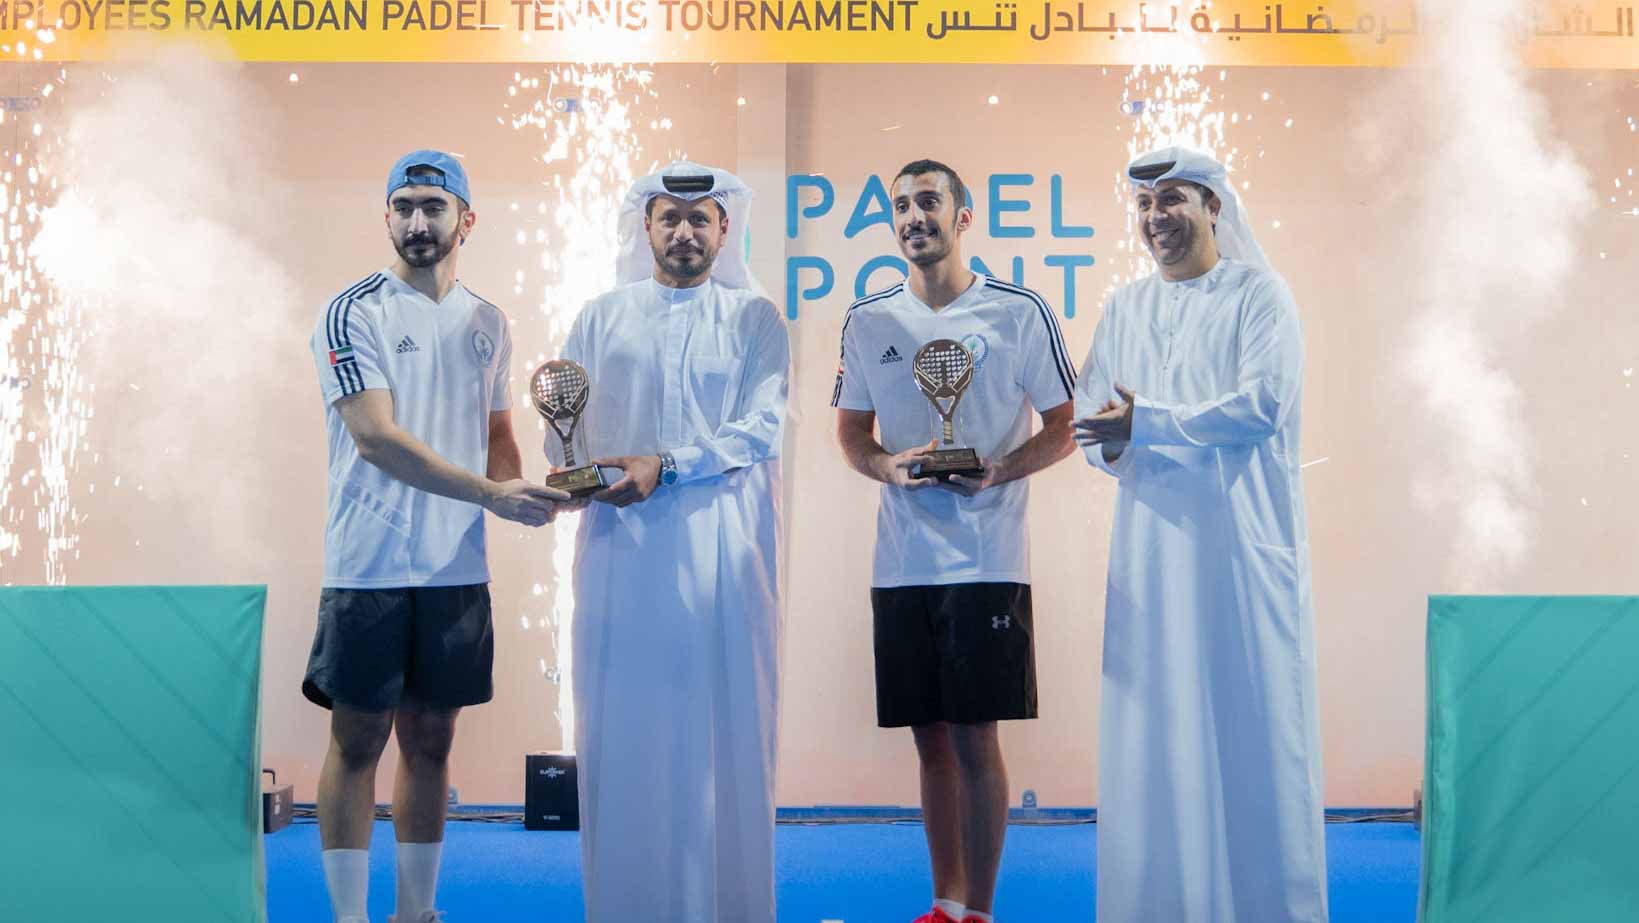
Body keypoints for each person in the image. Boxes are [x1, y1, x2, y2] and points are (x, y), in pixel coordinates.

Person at [304, 150, 565, 923]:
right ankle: (350, 917)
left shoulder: (489, 322)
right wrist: (491, 494)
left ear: (466, 220)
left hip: (455, 570)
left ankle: (416, 912)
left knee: (430, 743)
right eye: (404, 207)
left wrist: (535, 491)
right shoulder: (351, 312)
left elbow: (497, 437)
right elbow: (375, 439)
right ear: (387, 218)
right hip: (368, 567)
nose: (418, 221)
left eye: (433, 206)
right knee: (357, 743)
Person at [1073, 146, 1328, 923]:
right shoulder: (1124, 307)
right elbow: (1090, 421)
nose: (1156, 218)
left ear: (1213, 206)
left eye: (1172, 200)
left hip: (1239, 557)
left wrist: (1146, 422)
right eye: (1144, 205)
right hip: (1150, 558)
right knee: (1154, 735)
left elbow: (1262, 406)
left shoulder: (1260, 295)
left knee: (1251, 730)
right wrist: (1119, 437)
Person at [831, 159, 1077, 923]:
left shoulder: (1018, 311)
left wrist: (1000, 470)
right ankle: (944, 902)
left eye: (929, 201)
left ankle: (980, 912)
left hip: (985, 560)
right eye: (902, 205)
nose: (914, 216)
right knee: (928, 742)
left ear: (962, 217)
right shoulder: (867, 320)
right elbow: (851, 432)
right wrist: (885, 466)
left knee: (974, 737)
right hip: (900, 565)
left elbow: (1065, 426)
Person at [549, 160, 790, 922]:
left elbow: (762, 427)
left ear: (724, 229)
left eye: (699, 219)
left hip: (726, 557)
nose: (684, 232)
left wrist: (671, 464)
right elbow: (566, 431)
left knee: (723, 731)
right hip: (621, 555)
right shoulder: (599, 316)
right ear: (645, 228)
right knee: (626, 732)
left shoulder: (755, 318)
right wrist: (571, 472)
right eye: (669, 219)